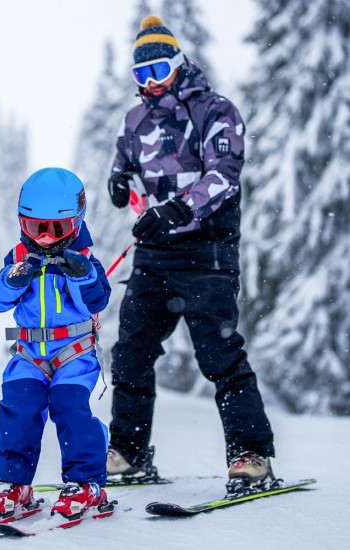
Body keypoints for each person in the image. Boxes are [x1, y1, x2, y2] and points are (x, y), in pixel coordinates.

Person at [105, 15, 275, 493]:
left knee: (218, 354)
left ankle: (251, 454)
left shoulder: (215, 110)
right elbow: (123, 161)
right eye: (142, 74)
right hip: (155, 254)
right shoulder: (135, 120)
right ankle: (129, 453)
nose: (152, 82)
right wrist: (117, 181)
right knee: (132, 353)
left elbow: (224, 174)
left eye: (159, 69)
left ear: (178, 63)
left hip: (206, 251)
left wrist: (179, 209)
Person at [0, 167, 112, 519]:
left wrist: (83, 276)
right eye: (34, 227)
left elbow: (98, 300)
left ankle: (86, 482)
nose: (43, 238)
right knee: (19, 406)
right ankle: (13, 483)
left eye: (55, 229)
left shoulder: (85, 260)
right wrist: (13, 279)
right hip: (29, 353)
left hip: (74, 353)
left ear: (76, 221)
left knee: (69, 407)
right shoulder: (18, 257)